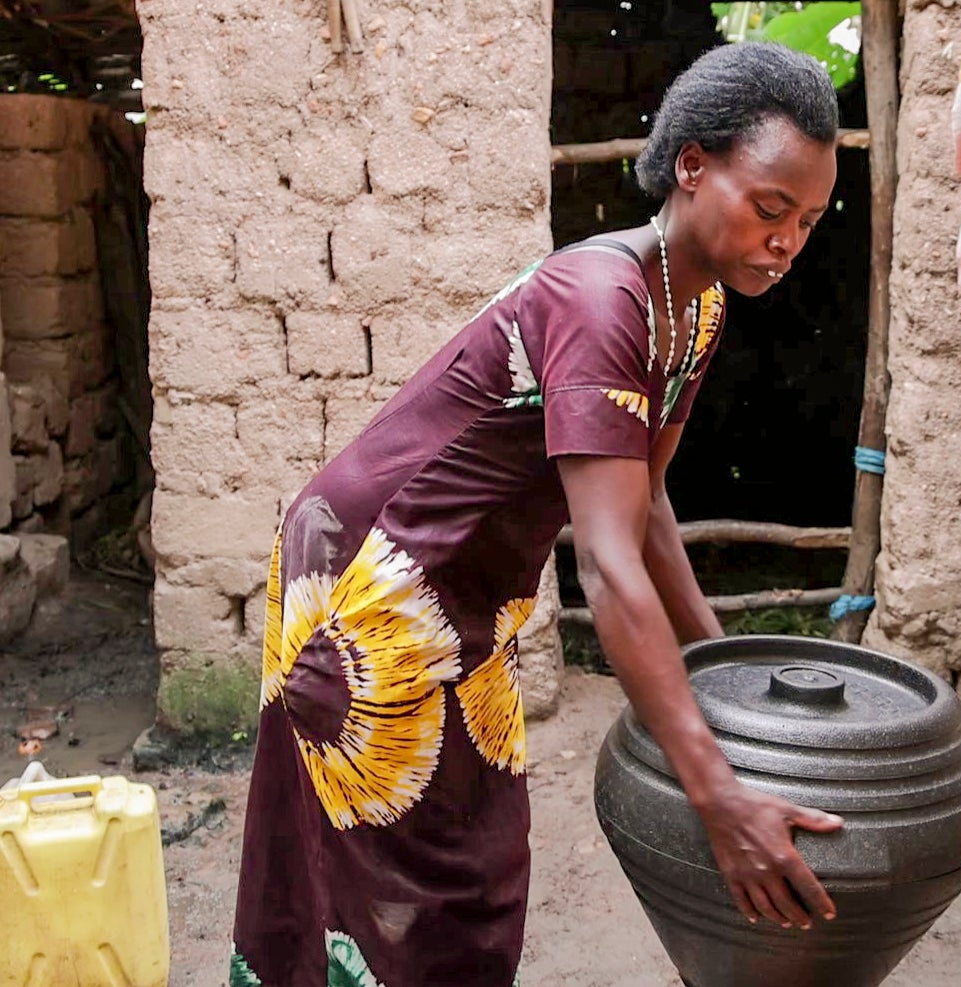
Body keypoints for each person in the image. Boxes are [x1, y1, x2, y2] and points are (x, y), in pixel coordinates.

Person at [228, 41, 843, 986]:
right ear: (692, 166)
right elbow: (605, 563)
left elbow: (647, 506)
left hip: (465, 589)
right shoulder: (604, 301)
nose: (787, 242)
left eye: (806, 220)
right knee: (405, 874)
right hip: (375, 578)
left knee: (477, 856)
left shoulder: (697, 306)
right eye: (770, 209)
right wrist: (719, 798)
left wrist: (728, 675)